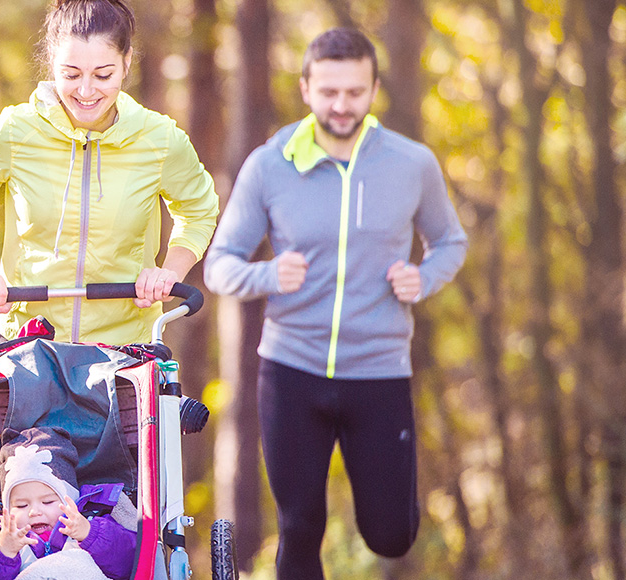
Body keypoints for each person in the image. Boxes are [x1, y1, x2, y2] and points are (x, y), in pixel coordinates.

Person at [203, 28, 467, 579]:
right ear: (305, 88)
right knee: (299, 528)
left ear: (373, 89)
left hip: (379, 371)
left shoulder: (411, 164)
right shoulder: (269, 165)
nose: (341, 105)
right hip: (291, 369)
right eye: (328, 92)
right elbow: (220, 265)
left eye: (354, 92)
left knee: (392, 535)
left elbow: (451, 242)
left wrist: (424, 277)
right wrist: (270, 274)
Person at [0, 0, 219, 346]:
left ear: (126, 62)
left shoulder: (159, 139)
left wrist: (168, 273)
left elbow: (199, 210)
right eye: (70, 75)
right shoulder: (15, 131)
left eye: (103, 75)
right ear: (51, 64)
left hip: (125, 348)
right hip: (26, 341)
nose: (86, 91)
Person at [0, 427, 137, 580]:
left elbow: (130, 563)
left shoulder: (91, 527)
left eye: (47, 502)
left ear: (71, 500)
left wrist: (90, 534)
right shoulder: (5, 544)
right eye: (21, 506)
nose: (34, 512)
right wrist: (4, 552)